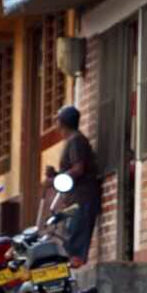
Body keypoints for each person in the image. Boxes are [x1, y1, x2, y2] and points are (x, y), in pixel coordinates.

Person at [46, 105, 99, 266]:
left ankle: (76, 275)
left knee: (76, 239)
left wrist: (58, 180)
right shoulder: (72, 140)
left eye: (57, 120)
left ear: (62, 122)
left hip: (82, 198)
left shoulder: (76, 140)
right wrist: (56, 175)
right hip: (74, 199)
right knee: (71, 237)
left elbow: (78, 169)